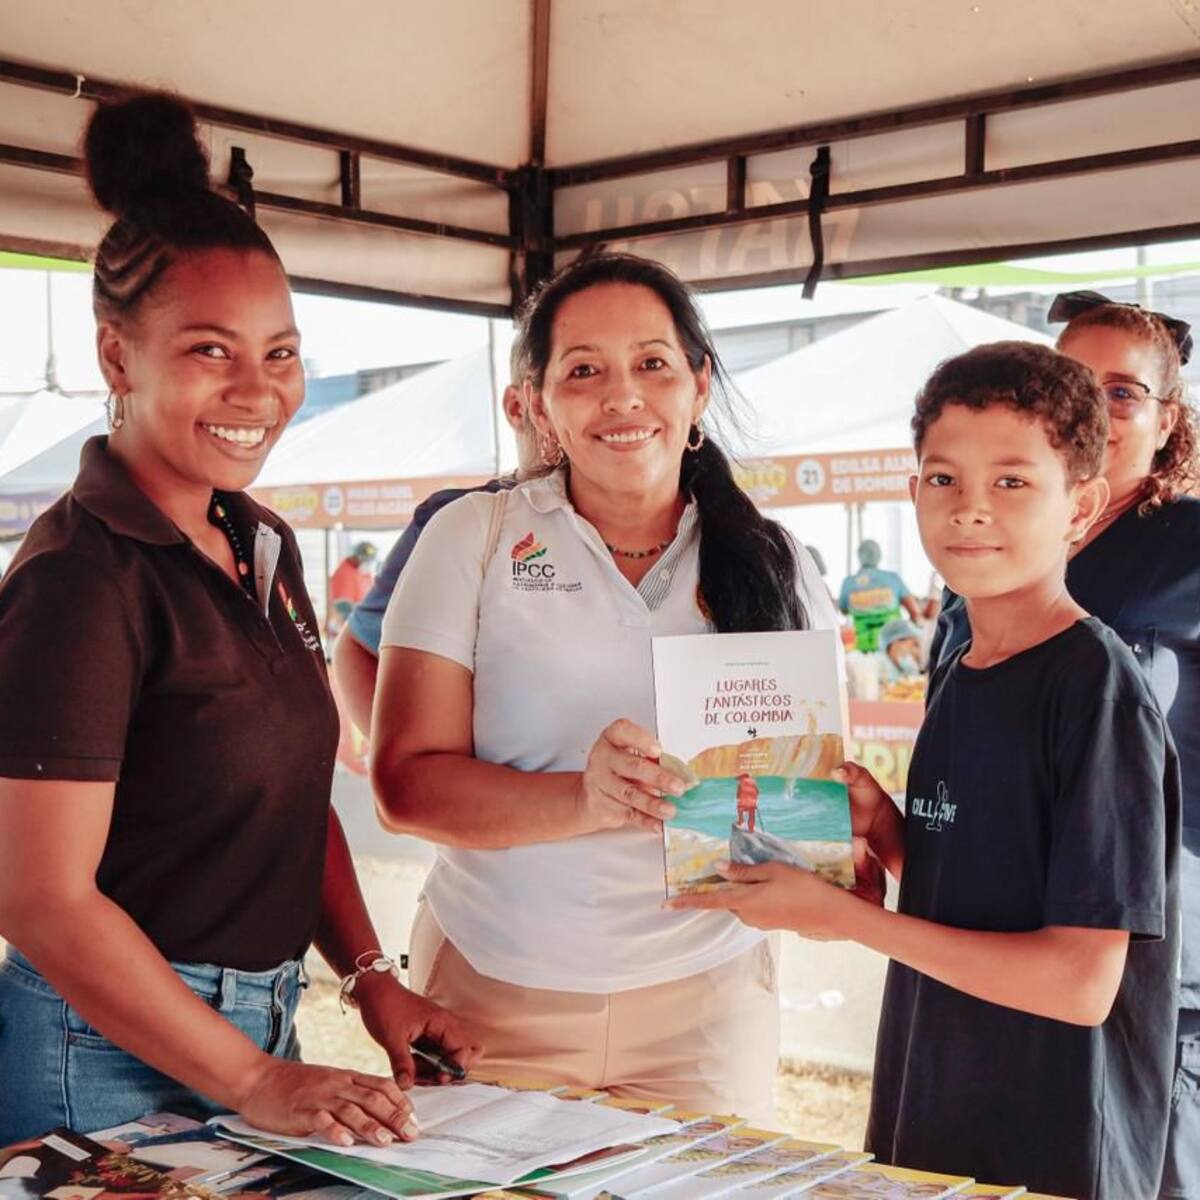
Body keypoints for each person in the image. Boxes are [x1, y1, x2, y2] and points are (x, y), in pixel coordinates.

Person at [0, 92, 479, 1145]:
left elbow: (290, 799)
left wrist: (370, 981)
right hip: (98, 1055)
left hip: (256, 1032)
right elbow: (41, 899)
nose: (258, 392)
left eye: (281, 352)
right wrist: (254, 1079)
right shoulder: (81, 576)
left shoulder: (259, 540)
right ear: (117, 358)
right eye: (211, 351)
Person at [671, 342, 1180, 1199]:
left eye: (1012, 481)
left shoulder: (1095, 689)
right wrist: (883, 828)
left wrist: (847, 919)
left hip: (1051, 1148)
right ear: (913, 493)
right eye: (945, 479)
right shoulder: (962, 662)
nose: (971, 508)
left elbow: (1080, 982)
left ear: (1082, 505)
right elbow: (985, 889)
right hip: (937, 1111)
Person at [368, 252, 837, 1123]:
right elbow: (404, 786)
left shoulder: (775, 561)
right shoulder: (474, 536)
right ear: (538, 401)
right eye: (584, 371)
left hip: (706, 1005)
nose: (623, 397)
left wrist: (828, 827)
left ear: (698, 385)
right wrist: (584, 800)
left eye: (653, 364)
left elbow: (798, 813)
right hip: (491, 996)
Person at [932, 292, 1200, 1200]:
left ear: (1169, 422)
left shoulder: (1187, 552)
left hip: (1151, 942)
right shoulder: (979, 569)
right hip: (992, 947)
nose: (1090, 405)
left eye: (1122, 392)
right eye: (1071, 380)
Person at [331, 340, 539, 735]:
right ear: (520, 406)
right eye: (581, 375)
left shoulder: (661, 518)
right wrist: (412, 762)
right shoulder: (456, 520)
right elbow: (358, 646)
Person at [837, 539, 922, 652]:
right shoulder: (892, 579)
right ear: (879, 555)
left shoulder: (848, 583)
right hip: (893, 649)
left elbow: (843, 610)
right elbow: (915, 613)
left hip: (863, 649)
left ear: (859, 556)